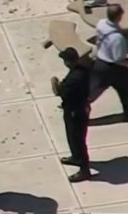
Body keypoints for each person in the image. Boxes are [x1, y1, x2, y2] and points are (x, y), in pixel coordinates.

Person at [91, 4, 128, 120]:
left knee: (98, 87)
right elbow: (118, 60)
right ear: (119, 16)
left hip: (100, 62)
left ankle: (74, 102)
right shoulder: (117, 38)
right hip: (114, 69)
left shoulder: (101, 23)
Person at [51, 48, 92, 182]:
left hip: (76, 111)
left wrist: (55, 83)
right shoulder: (80, 70)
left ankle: (84, 170)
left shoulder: (75, 77)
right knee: (71, 136)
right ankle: (76, 157)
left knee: (78, 140)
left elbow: (60, 92)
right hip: (75, 109)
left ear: (69, 61)